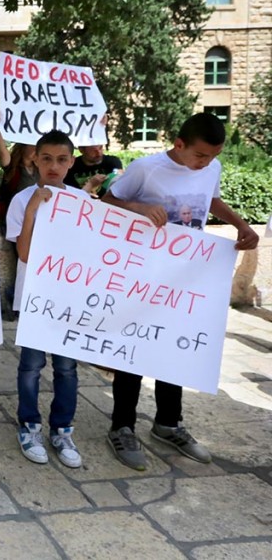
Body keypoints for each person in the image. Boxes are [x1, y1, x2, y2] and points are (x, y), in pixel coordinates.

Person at [101, 112, 259, 470]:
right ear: (179, 144)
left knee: (175, 349)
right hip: (142, 276)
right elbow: (108, 203)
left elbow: (211, 200)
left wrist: (241, 225)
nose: (207, 163)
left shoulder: (211, 168)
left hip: (185, 278)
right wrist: (138, 208)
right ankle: (122, 426)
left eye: (214, 157)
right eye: (201, 156)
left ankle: (168, 423)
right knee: (134, 348)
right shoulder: (146, 168)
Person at [6, 131, 90, 468]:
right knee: (31, 365)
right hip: (35, 299)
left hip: (69, 301)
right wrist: (31, 210)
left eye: (61, 159)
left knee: (67, 369)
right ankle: (29, 425)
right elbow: (23, 253)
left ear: (71, 162)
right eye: (46, 159)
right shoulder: (22, 199)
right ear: (34, 160)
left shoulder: (82, 204)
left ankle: (62, 429)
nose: (53, 166)